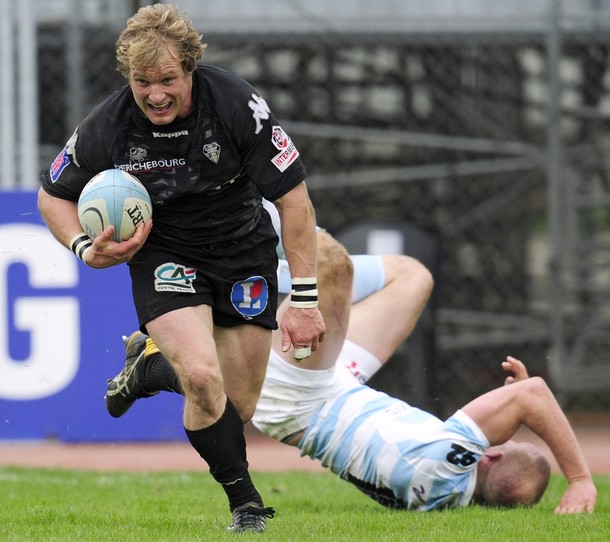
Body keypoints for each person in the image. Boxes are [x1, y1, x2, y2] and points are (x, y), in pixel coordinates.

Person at [37, 3, 326, 533]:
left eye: (167, 79)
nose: (155, 94)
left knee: (234, 407)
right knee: (200, 377)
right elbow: (52, 195)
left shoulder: (236, 104)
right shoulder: (109, 123)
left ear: (190, 68)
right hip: (165, 254)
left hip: (243, 252)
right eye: (142, 82)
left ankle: (148, 369)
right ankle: (247, 506)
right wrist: (83, 247)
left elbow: (295, 201)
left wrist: (305, 301)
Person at [107, 232, 597, 515]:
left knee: (330, 264)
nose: (499, 438)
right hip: (331, 390)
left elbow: (534, 395)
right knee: (413, 277)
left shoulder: (451, 459)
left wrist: (579, 479)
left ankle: (244, 252)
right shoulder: (441, 499)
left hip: (306, 394)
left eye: (503, 443)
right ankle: (154, 365)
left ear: (488, 457)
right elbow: (517, 411)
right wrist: (512, 408)